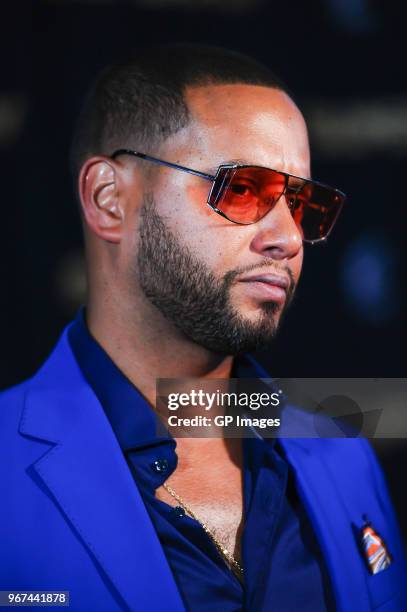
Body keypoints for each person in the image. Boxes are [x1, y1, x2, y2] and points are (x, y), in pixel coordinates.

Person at [0, 44, 406, 612]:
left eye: (303, 203)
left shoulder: (342, 458)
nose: (288, 238)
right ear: (108, 199)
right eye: (243, 189)